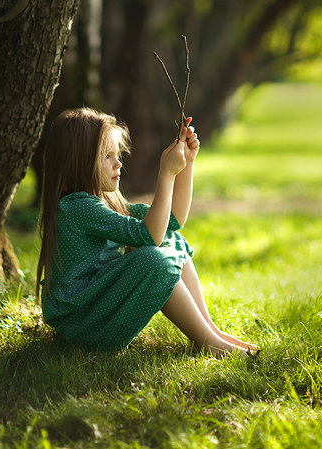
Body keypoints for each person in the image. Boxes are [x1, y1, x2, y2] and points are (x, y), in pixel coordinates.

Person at [36, 107, 257, 356]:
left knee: (172, 239)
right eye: (106, 156)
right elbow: (151, 236)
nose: (118, 162)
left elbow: (172, 221)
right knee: (153, 259)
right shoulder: (78, 207)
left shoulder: (101, 201)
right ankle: (208, 342)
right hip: (83, 324)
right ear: (78, 162)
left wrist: (187, 164)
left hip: (96, 311)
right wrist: (165, 173)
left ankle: (210, 333)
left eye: (117, 154)